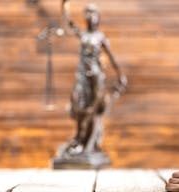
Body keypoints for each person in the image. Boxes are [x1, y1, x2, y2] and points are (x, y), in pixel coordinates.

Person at [54, 1, 127, 168]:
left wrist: (120, 74)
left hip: (95, 78)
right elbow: (69, 23)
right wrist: (64, 5)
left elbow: (112, 57)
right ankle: (79, 138)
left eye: (93, 15)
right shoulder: (83, 34)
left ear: (98, 18)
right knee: (77, 103)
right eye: (87, 16)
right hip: (81, 77)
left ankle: (88, 143)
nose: (90, 19)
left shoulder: (100, 37)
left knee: (93, 110)